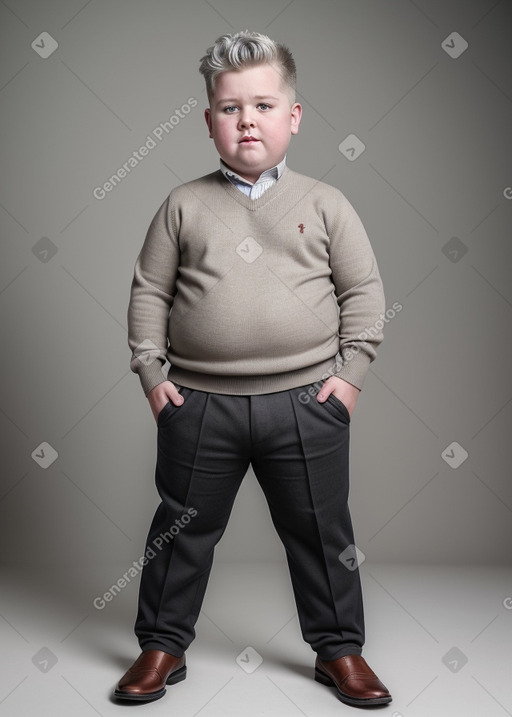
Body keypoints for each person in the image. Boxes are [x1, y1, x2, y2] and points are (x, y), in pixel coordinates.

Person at [114, 30, 392, 708]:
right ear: (210, 120)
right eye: (230, 108)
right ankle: (161, 645)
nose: (247, 121)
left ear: (292, 116)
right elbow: (148, 292)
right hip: (198, 404)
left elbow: (364, 292)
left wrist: (349, 377)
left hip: (306, 402)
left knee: (323, 530)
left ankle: (340, 650)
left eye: (263, 105)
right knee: (180, 527)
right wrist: (154, 380)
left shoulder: (327, 204)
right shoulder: (182, 204)